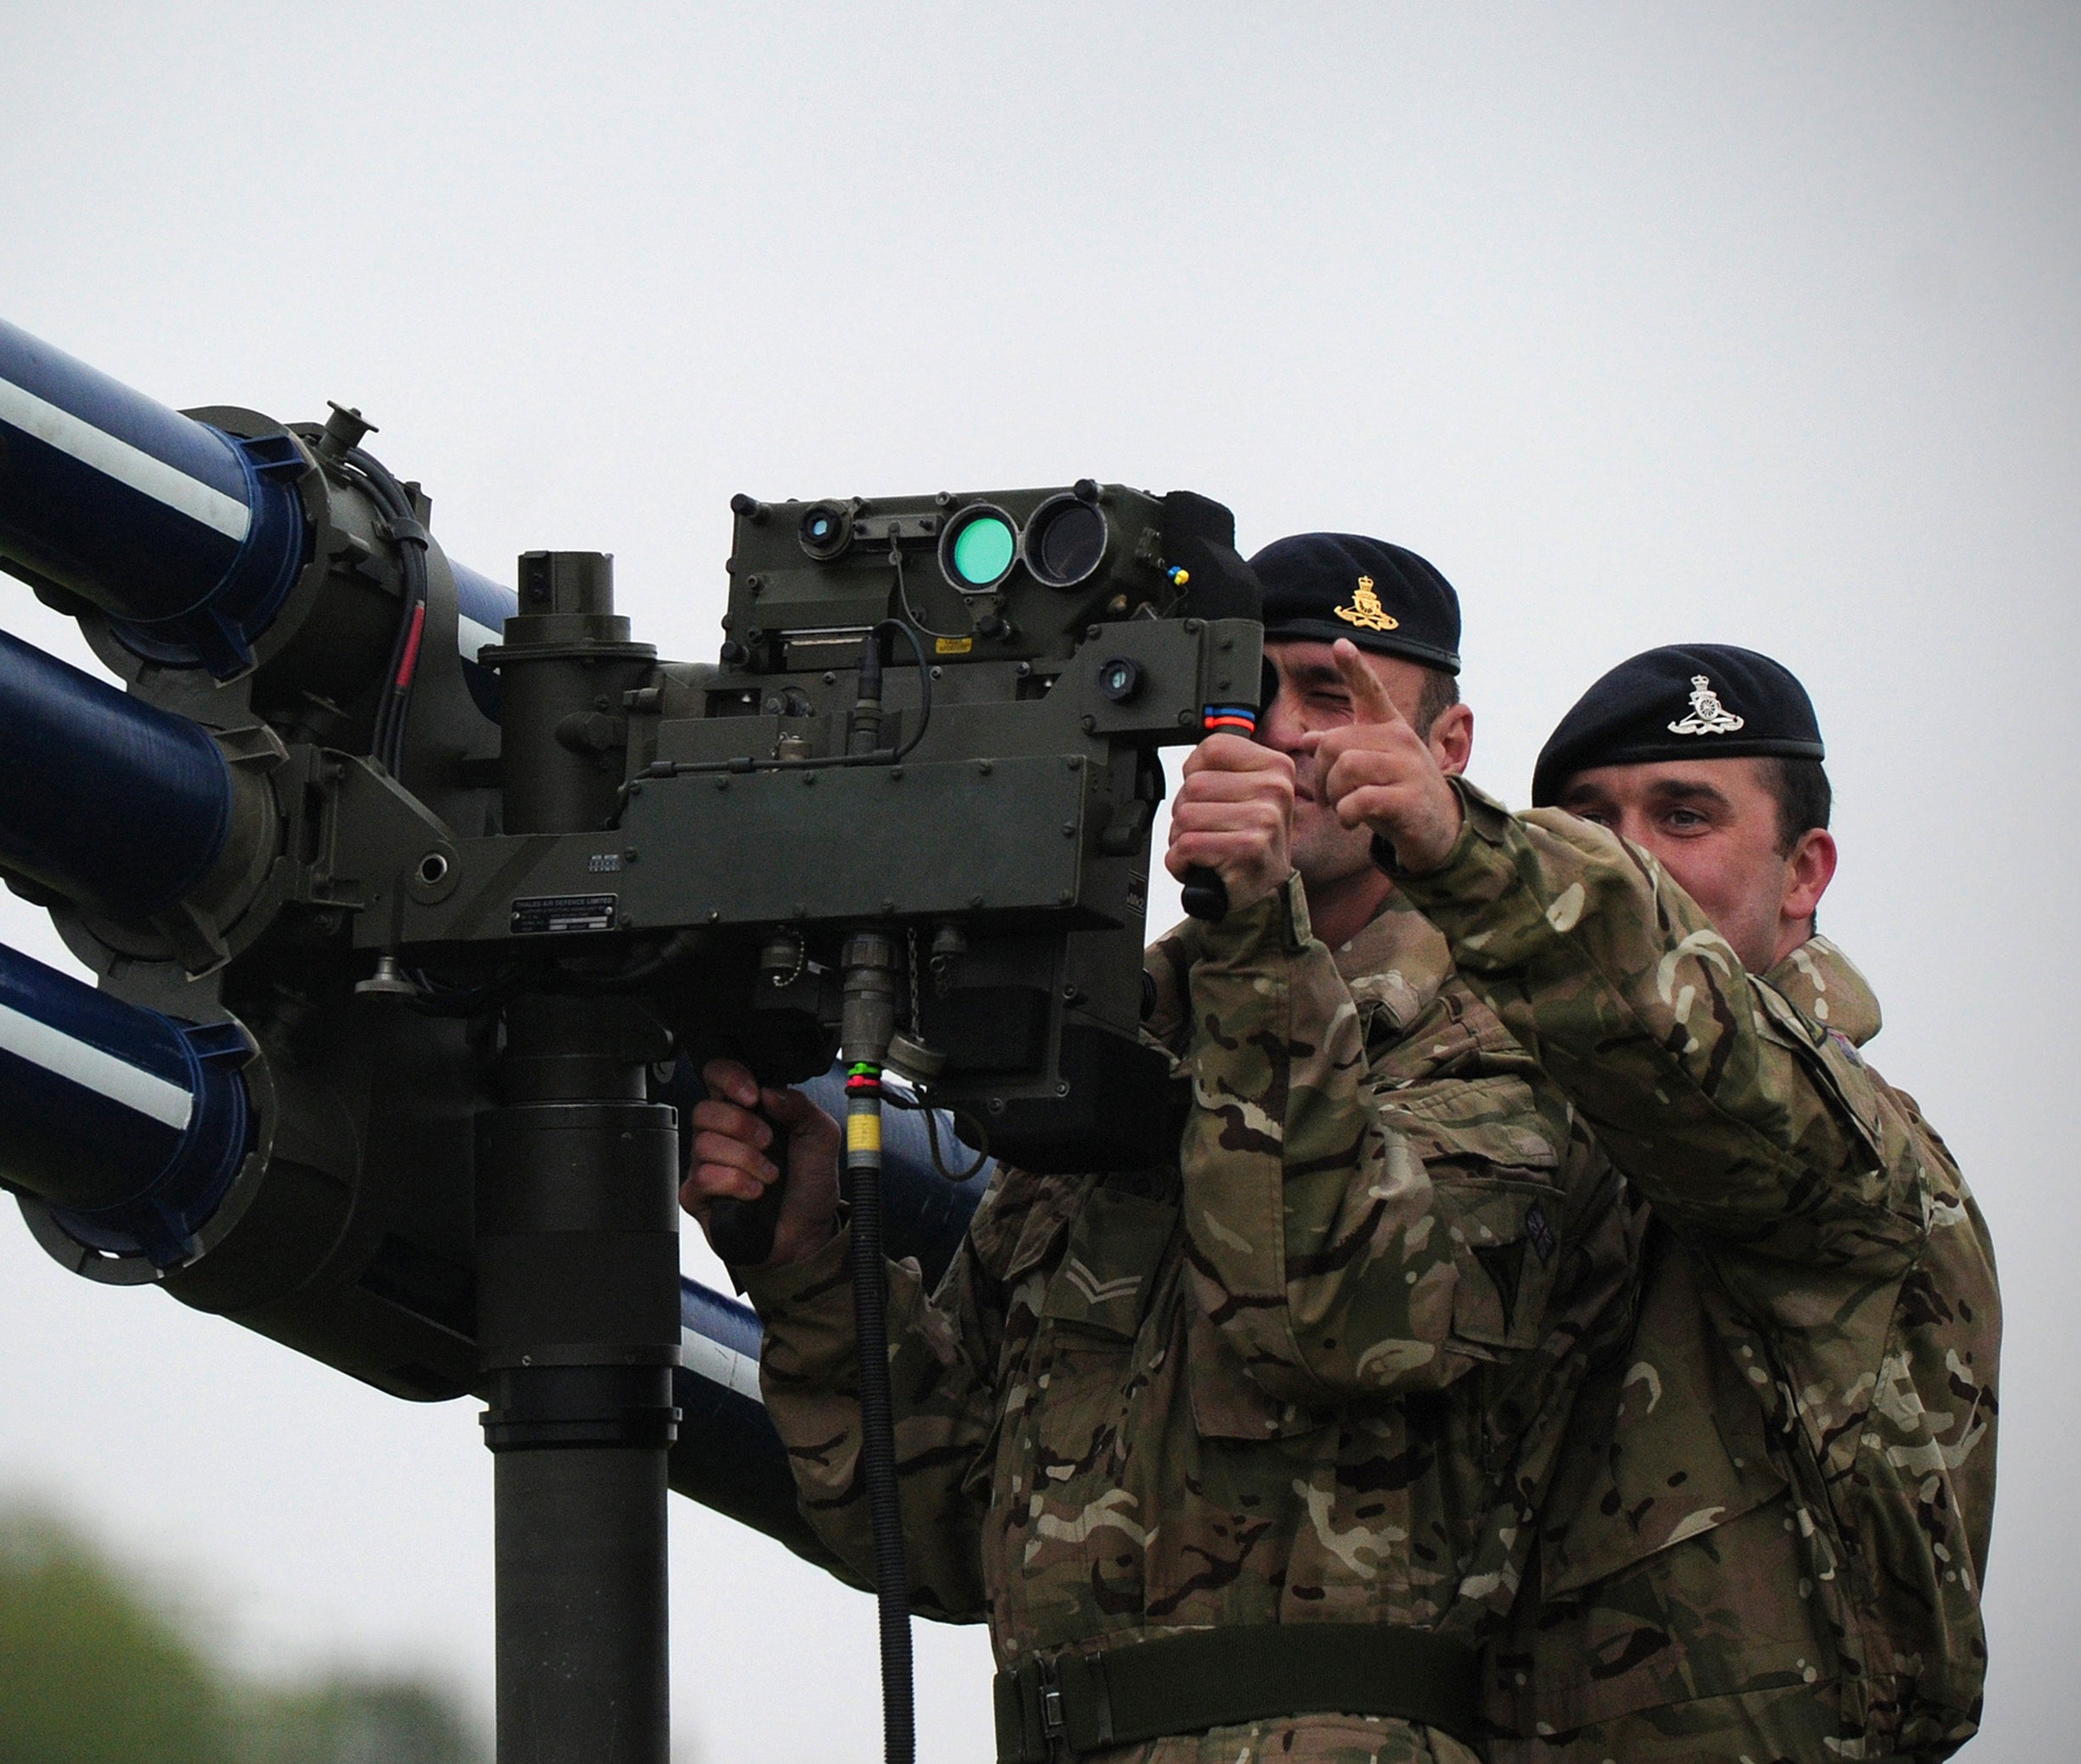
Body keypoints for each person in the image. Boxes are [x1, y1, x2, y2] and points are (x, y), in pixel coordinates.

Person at [683, 535, 1641, 1763]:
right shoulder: (1121, 1049)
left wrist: (1254, 941)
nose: (1284, 732)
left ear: (1445, 750)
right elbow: (940, 1532)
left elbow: (1327, 1317)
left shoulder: (1503, 1040)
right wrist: (812, 1261)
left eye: (1334, 695)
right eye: (1251, 690)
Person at [1314, 639, 1998, 1759]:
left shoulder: (1848, 1137)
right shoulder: (1519, 1143)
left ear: (1805, 873)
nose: (1628, 856)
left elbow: (1689, 1052)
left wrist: (1470, 852)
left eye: (1685, 816)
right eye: (1584, 823)